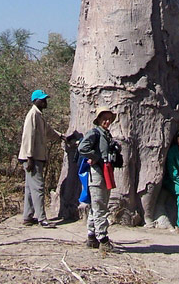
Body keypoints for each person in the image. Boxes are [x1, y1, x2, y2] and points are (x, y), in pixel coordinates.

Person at [18, 89, 63, 228]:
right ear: (35, 100)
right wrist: (29, 157)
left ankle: (28, 216)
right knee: (38, 187)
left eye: (45, 99)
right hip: (32, 158)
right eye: (42, 99)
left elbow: (48, 131)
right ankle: (42, 219)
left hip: (35, 157)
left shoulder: (39, 115)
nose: (45, 102)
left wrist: (61, 136)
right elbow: (28, 136)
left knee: (30, 188)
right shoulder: (32, 115)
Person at [77, 108, 119, 252]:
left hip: (105, 172)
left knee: (96, 207)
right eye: (104, 119)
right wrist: (95, 157)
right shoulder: (94, 133)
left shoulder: (107, 135)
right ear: (99, 120)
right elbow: (82, 148)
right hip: (96, 174)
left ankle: (91, 236)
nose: (107, 121)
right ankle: (103, 239)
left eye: (109, 119)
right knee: (100, 206)